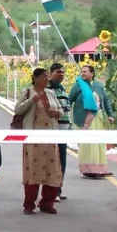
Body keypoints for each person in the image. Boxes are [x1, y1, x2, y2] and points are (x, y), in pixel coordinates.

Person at [13, 67, 65, 213]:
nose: (46, 79)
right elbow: (18, 109)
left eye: (47, 76)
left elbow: (61, 110)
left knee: (52, 170)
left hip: (50, 138)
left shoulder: (51, 93)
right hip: (34, 139)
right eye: (43, 76)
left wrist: (57, 113)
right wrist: (32, 101)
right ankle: (29, 204)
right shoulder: (29, 92)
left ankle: (47, 203)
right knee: (33, 171)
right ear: (35, 78)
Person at [69, 63, 114, 177]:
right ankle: (88, 169)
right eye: (82, 72)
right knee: (87, 144)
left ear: (92, 73)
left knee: (98, 143)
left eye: (85, 71)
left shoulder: (99, 85)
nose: (83, 73)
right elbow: (69, 100)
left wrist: (110, 114)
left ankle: (100, 169)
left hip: (98, 117)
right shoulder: (78, 85)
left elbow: (106, 100)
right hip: (85, 119)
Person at [48, 62, 71, 199]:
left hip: (64, 129)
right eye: (58, 72)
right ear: (51, 73)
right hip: (53, 129)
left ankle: (58, 189)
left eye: (62, 72)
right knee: (53, 161)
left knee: (62, 160)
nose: (61, 74)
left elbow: (66, 106)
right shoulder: (47, 89)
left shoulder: (62, 88)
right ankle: (51, 191)